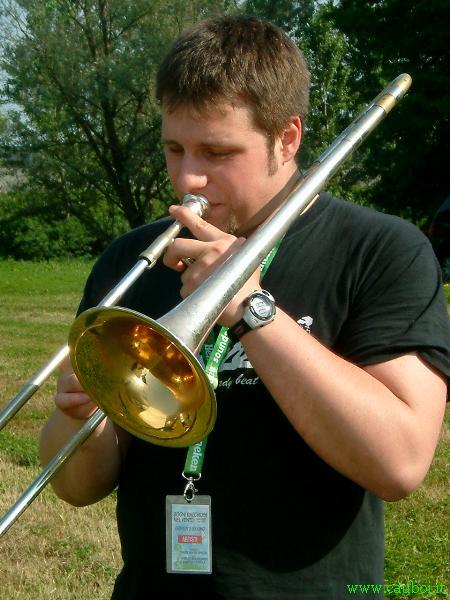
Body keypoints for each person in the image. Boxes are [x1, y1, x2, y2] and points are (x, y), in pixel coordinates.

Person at [40, 15, 450, 599]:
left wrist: (253, 310)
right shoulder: (133, 259)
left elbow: (399, 462)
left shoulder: (381, 250)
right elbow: (78, 488)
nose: (189, 177)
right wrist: (80, 416)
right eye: (174, 148)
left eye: (217, 151)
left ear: (288, 138)